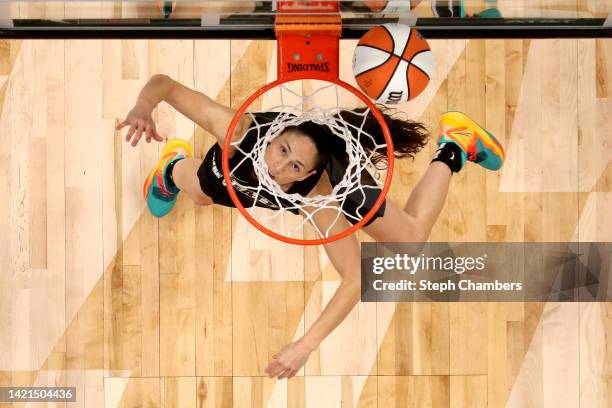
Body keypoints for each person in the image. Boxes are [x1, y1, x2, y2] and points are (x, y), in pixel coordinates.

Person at [117, 73, 504, 380]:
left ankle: (455, 143)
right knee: (203, 191)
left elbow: (354, 279)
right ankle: (169, 168)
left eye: (295, 167)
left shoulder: (320, 194)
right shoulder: (235, 130)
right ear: (274, 136)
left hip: (335, 180)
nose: (278, 168)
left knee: (411, 242)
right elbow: (164, 84)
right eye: (282, 151)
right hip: (234, 170)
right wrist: (142, 106)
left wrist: (306, 345)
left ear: (312, 173)